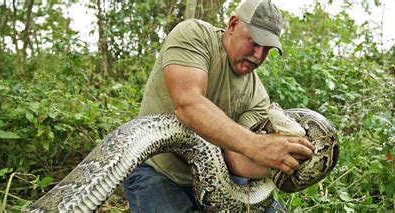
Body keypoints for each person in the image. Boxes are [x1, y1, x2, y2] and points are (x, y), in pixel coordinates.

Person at [123, 0, 315, 212]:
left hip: (217, 181)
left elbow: (233, 157)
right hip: (158, 170)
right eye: (254, 42)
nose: (259, 55)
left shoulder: (259, 98)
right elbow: (188, 104)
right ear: (232, 25)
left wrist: (283, 162)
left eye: (267, 49)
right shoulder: (195, 35)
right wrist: (257, 145)